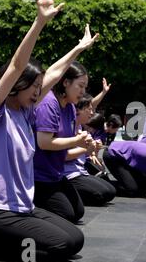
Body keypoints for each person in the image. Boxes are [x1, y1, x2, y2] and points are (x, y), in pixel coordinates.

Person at [0, 0, 85, 262]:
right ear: (17, 85)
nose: (37, 91)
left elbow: (55, 73)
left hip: (22, 207)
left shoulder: (25, 113)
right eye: (33, 86)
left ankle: (6, 239)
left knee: (75, 238)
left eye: (39, 87)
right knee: (61, 247)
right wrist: (39, 22)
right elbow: (17, 66)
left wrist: (78, 48)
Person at [33, 56, 99, 224]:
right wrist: (77, 141)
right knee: (67, 215)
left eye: (85, 87)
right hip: (38, 176)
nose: (83, 92)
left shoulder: (69, 107)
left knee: (77, 212)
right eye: (80, 86)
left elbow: (66, 146)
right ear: (65, 83)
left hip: (55, 173)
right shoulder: (49, 104)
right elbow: (44, 142)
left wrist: (84, 146)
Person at [64, 94, 116, 206]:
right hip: (69, 174)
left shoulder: (79, 127)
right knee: (101, 194)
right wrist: (85, 148)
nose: (92, 113)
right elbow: (63, 156)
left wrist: (93, 150)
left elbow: (85, 153)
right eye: (89, 110)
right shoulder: (67, 128)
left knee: (110, 191)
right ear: (78, 110)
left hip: (80, 171)